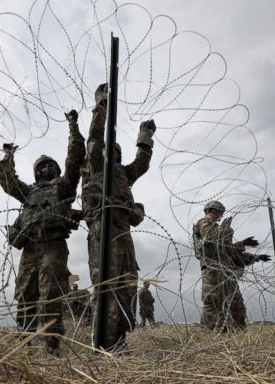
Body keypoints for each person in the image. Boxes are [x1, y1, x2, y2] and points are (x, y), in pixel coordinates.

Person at [0, 110, 85, 355]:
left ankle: (52, 342)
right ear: (36, 173)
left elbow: (75, 159)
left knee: (51, 294)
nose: (46, 169)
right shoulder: (30, 193)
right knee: (25, 294)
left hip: (53, 245)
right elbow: (8, 182)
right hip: (30, 248)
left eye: (50, 166)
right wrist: (8, 156)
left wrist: (73, 128)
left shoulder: (64, 187)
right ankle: (24, 340)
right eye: (42, 166)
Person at [81, 83, 156, 350]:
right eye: (106, 151)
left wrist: (145, 136)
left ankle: (120, 338)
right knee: (106, 284)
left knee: (126, 286)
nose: (110, 154)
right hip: (103, 231)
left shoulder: (123, 173)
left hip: (123, 233)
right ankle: (103, 340)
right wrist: (101, 106)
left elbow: (142, 164)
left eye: (116, 152)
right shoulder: (96, 169)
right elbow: (93, 138)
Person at [192, 200, 271, 332]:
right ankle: (209, 332)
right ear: (214, 210)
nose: (219, 215)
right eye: (218, 212)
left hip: (226, 270)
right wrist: (224, 229)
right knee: (213, 301)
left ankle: (236, 330)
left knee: (235, 302)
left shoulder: (218, 227)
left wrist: (252, 253)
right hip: (213, 270)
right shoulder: (204, 222)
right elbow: (210, 241)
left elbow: (228, 252)